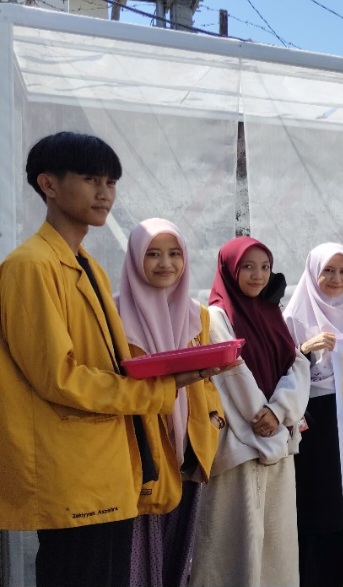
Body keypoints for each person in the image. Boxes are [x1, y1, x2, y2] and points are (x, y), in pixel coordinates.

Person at [0, 132, 225, 587]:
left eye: (111, 182)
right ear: (48, 184)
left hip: (108, 465)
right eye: (90, 179)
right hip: (73, 468)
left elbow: (108, 364)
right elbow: (59, 377)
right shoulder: (31, 266)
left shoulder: (88, 266)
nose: (105, 193)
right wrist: (162, 388)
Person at [190, 237, 311, 587]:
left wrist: (279, 411)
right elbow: (232, 373)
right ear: (230, 269)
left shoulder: (271, 313)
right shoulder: (217, 316)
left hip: (277, 441)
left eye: (265, 267)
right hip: (240, 447)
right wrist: (264, 417)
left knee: (275, 545)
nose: (258, 275)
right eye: (248, 267)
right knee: (235, 544)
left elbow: (298, 364)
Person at [116, 219, 228, 587]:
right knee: (137, 558)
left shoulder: (198, 315)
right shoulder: (114, 315)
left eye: (174, 254)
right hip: (140, 454)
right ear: (135, 258)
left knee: (179, 557)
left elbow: (208, 381)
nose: (166, 263)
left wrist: (213, 421)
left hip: (188, 452)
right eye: (153, 254)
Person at [284, 243, 343, 586]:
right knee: (315, 498)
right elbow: (278, 370)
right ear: (312, 273)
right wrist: (305, 349)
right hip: (312, 419)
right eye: (328, 271)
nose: (336, 278)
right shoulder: (293, 318)